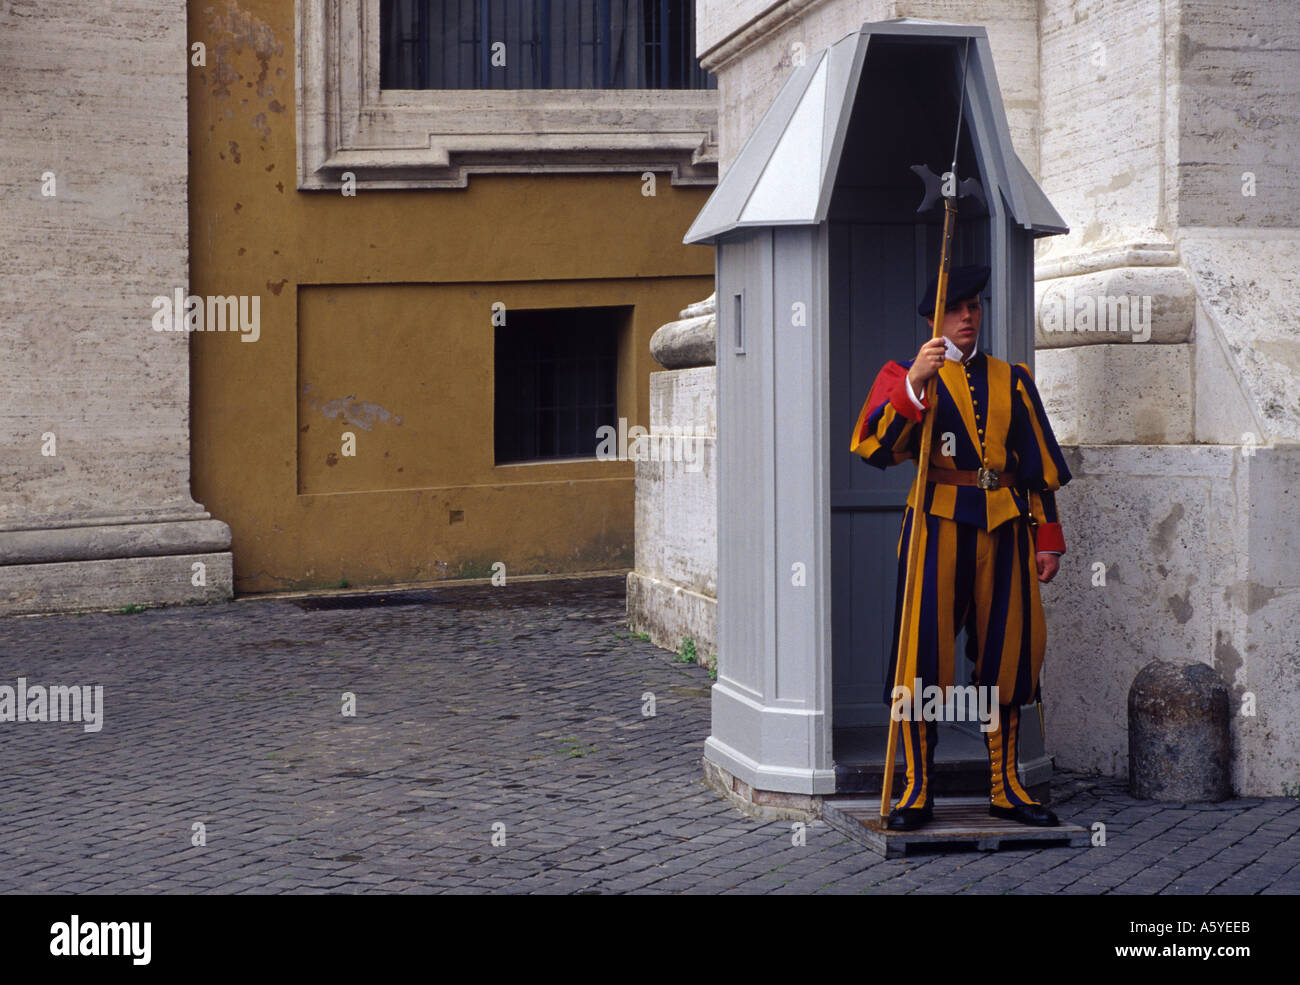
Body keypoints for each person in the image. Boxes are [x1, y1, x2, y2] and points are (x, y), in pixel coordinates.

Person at [849, 264, 1072, 831]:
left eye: (973, 306)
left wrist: (1047, 538)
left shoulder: (1013, 378)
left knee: (1009, 654)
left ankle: (1006, 785)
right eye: (955, 308)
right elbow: (875, 448)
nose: (968, 316)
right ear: (933, 319)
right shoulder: (903, 375)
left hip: (1006, 527)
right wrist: (915, 385)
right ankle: (917, 788)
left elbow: (1038, 471)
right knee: (920, 656)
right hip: (936, 526)